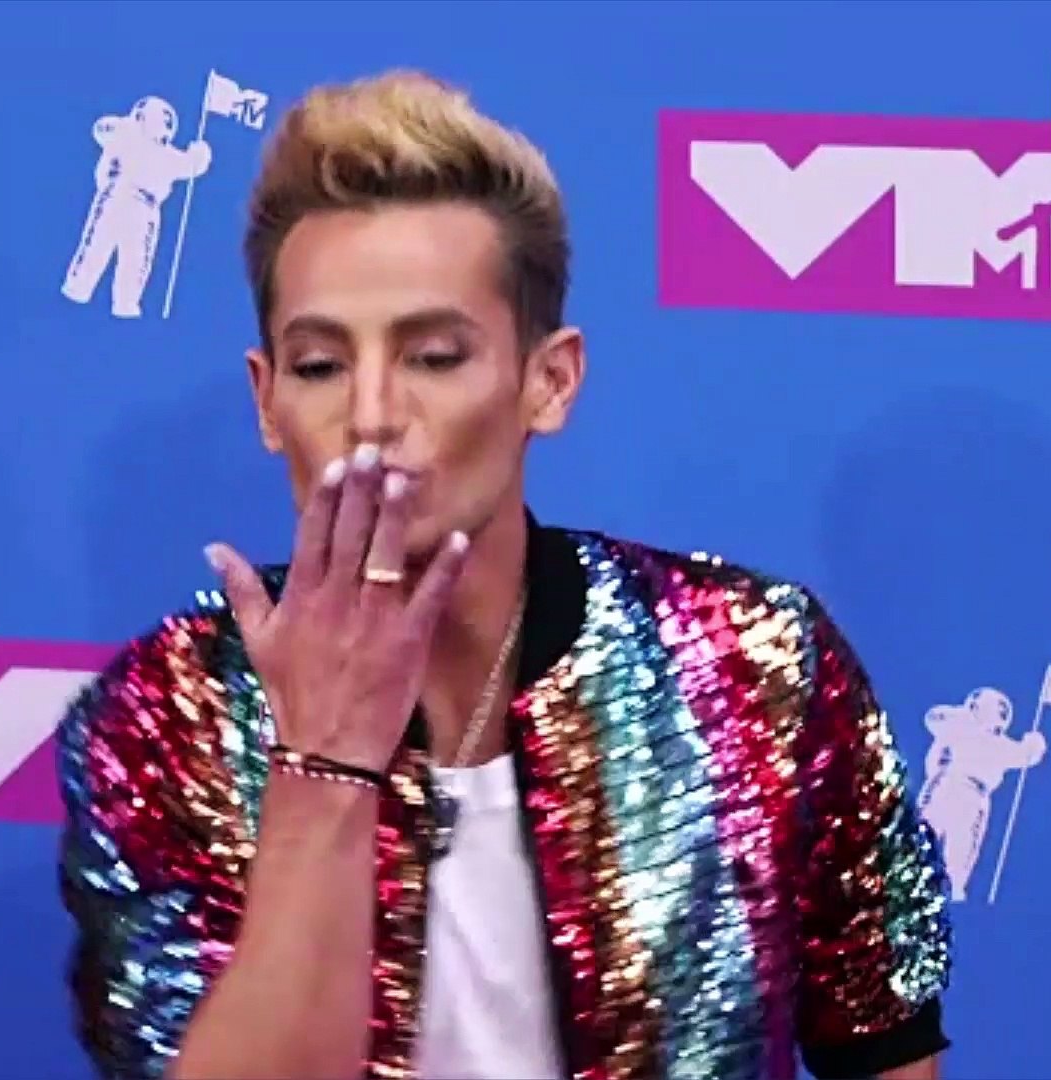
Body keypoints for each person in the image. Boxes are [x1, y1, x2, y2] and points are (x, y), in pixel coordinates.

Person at [53, 69, 953, 1080]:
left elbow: (885, 1043)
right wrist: (324, 771)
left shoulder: (755, 668)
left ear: (549, 381)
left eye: (435, 356)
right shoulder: (167, 716)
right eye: (320, 366)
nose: (372, 414)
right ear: (267, 403)